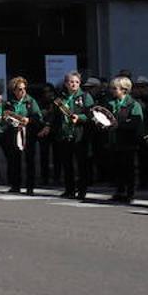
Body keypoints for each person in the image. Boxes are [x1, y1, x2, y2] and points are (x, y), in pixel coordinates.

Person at [49, 71, 93, 199]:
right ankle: (69, 189)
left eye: (77, 82)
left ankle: (82, 191)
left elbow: (91, 114)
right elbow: (55, 116)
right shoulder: (60, 98)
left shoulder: (85, 96)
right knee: (67, 164)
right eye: (71, 82)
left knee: (81, 164)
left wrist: (79, 117)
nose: (74, 84)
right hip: (64, 134)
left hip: (79, 135)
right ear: (66, 83)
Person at [104, 76, 144, 203]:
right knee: (117, 167)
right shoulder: (111, 103)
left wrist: (119, 125)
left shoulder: (133, 104)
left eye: (115, 88)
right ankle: (119, 191)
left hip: (128, 141)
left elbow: (136, 123)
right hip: (114, 140)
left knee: (128, 168)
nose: (112, 90)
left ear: (124, 90)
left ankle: (129, 193)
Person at [2, 77, 42, 195]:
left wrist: (28, 120)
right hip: (14, 134)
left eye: (24, 89)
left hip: (28, 134)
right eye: (20, 89)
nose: (23, 91)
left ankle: (30, 187)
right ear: (14, 91)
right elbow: (5, 117)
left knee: (30, 160)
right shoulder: (9, 103)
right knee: (14, 160)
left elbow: (38, 117)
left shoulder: (30, 101)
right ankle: (15, 185)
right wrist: (10, 120)